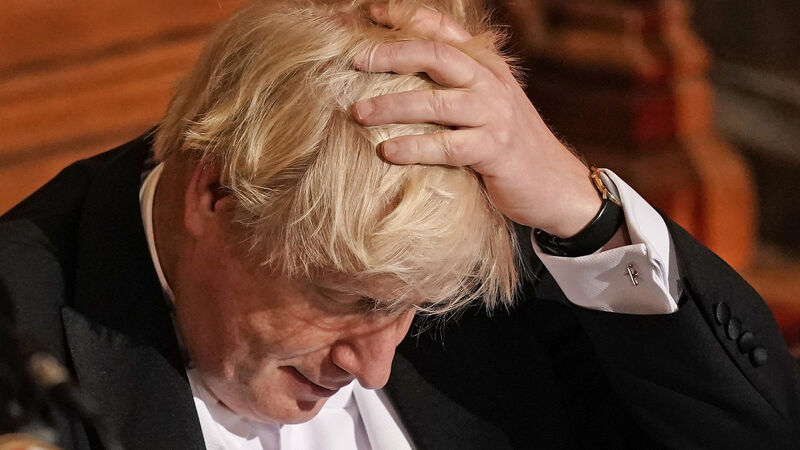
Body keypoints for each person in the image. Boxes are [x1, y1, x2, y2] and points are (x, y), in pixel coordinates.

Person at [1, 0, 799, 448]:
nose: (375, 367)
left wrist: (584, 215)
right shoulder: (22, 337)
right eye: (351, 300)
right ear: (214, 194)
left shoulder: (475, 247)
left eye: (410, 309)